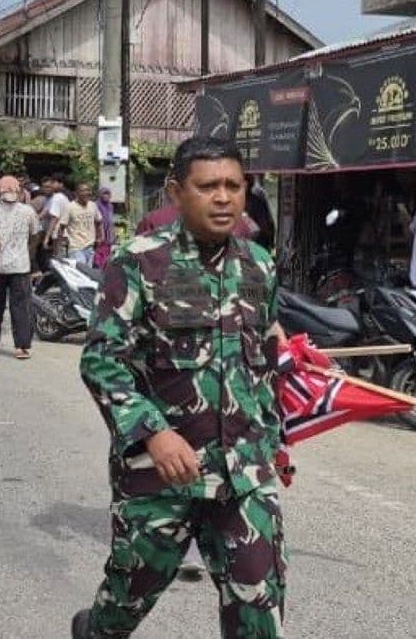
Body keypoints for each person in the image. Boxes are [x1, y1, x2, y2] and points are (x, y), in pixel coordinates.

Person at [71, 136, 285, 639]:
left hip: (244, 473)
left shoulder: (260, 263)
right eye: (208, 186)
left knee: (259, 610)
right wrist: (154, 434)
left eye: (234, 185)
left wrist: (276, 439)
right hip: (161, 472)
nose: (224, 197)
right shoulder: (139, 262)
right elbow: (102, 360)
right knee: (127, 600)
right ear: (175, 192)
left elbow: (264, 361)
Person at [0, 175, 40, 359]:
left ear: (0, 191)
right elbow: (35, 235)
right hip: (21, 267)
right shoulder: (28, 211)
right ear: (19, 191)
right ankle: (21, 347)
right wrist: (28, 255)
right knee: (21, 308)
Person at [62, 182, 103, 267]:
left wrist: (100, 237)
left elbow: (99, 221)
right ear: (76, 193)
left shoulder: (93, 205)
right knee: (80, 272)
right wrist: (63, 240)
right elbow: (62, 225)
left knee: (88, 273)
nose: (86, 193)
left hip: (90, 246)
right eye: (83, 191)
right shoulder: (70, 207)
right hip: (75, 246)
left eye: (88, 190)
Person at [44, 175, 71, 258]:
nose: (51, 185)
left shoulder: (57, 198)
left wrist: (47, 238)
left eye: (53, 183)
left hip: (58, 234)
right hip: (65, 234)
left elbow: (54, 218)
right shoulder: (64, 197)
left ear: (61, 184)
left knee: (58, 260)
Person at [94, 187, 117, 268]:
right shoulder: (96, 205)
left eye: (108, 194)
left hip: (109, 236)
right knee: (98, 254)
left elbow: (111, 221)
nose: (106, 196)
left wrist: (113, 235)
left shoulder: (110, 206)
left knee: (107, 255)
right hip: (99, 235)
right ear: (100, 195)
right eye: (104, 193)